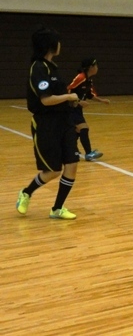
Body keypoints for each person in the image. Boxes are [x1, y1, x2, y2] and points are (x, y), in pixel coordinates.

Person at [16, 28, 81, 220]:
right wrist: (68, 96)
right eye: (57, 41)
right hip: (47, 124)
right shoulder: (38, 68)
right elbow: (46, 100)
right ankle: (26, 192)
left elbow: (59, 96)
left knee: (72, 165)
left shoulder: (53, 67)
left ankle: (57, 208)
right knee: (53, 170)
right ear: (50, 45)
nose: (60, 45)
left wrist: (72, 102)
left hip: (65, 122)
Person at [67, 58, 110, 161]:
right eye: (96, 65)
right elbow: (68, 90)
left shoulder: (89, 80)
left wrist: (101, 100)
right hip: (70, 107)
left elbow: (89, 95)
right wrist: (78, 101)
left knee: (77, 130)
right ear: (91, 67)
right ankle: (88, 153)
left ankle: (71, 150)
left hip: (77, 109)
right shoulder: (80, 77)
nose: (97, 68)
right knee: (84, 128)